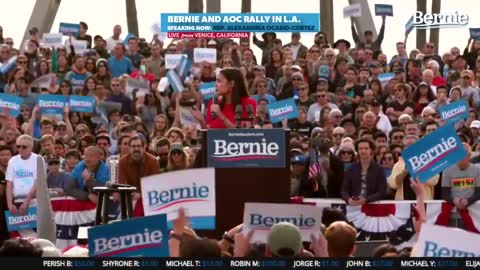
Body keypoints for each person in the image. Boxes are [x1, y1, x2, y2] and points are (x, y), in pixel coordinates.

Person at [388, 135, 438, 200]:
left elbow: (434, 181)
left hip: (423, 203)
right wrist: (404, 173)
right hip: (403, 205)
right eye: (407, 145)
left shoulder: (429, 162)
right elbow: (393, 184)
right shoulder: (398, 165)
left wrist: (417, 169)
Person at [341, 138, 386, 205]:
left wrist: (367, 200)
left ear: (371, 150)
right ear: (357, 150)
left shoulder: (379, 169)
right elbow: (344, 190)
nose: (363, 151)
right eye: (360, 149)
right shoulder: (350, 169)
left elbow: (382, 191)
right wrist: (348, 199)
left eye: (366, 148)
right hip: (353, 205)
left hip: (372, 206)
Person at [118, 136, 160, 205]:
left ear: (144, 147)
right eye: (133, 146)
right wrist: (131, 194)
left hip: (148, 199)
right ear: (129, 148)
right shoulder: (122, 162)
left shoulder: (153, 161)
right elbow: (122, 184)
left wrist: (140, 194)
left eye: (139, 146)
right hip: (129, 198)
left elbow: (154, 185)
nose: (136, 149)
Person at [6, 135, 39, 216]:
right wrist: (10, 204)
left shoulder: (38, 159)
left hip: (35, 201)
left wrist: (27, 201)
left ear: (31, 147)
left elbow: (37, 182)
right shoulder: (12, 161)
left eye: (24, 147)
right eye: (18, 146)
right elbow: (9, 184)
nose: (20, 149)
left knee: (37, 228)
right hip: (17, 201)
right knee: (22, 228)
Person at [442, 143, 480, 209]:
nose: (461, 158)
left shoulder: (477, 170)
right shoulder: (447, 170)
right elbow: (445, 193)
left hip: (473, 208)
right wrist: (453, 200)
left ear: (469, 156)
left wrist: (468, 200)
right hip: (453, 207)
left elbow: (478, 192)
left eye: (464, 155)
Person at [0, 145, 12, 242]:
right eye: (2, 155)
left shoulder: (15, 171)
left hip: (13, 207)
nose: (5, 157)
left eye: (8, 155)